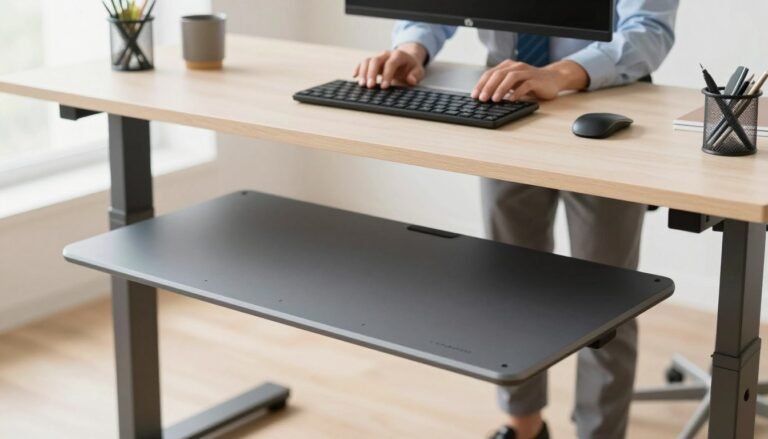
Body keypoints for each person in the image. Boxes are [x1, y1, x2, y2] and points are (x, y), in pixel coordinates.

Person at [353, 1, 679, 438]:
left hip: (604, 99)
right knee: (509, 287)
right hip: (502, 95)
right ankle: (523, 425)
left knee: (605, 304)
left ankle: (600, 433)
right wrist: (412, 49)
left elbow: (648, 30)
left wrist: (559, 73)